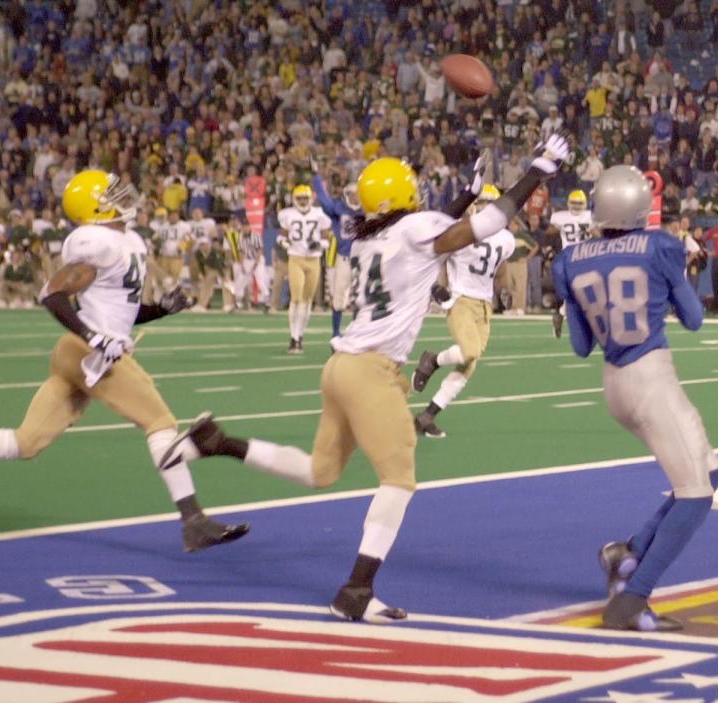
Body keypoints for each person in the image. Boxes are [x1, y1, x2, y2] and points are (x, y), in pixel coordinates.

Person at [157, 136, 571, 623]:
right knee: (398, 479)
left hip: (341, 367)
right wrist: (538, 170)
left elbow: (431, 233)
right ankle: (356, 590)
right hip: (372, 371)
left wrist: (463, 193)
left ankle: (217, 442)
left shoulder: (368, 236)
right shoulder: (416, 228)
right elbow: (485, 222)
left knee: (320, 472)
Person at [0, 169, 249, 553]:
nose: (123, 196)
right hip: (87, 352)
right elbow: (53, 293)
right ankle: (193, 521)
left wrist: (159, 309)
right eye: (111, 193)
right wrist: (92, 336)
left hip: (80, 352)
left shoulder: (126, 241)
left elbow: (119, 314)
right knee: (160, 423)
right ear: (94, 206)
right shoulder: (99, 243)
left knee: (26, 442)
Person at [552, 164, 718, 632]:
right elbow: (693, 319)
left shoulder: (570, 259)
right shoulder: (659, 245)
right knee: (694, 496)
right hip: (650, 377)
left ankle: (626, 553)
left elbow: (580, 345)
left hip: (613, 382)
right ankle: (633, 599)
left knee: (711, 468)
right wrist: (668, 288)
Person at [411, 185, 516, 438]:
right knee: (469, 352)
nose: (485, 208)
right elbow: (439, 259)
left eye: (491, 203)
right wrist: (438, 286)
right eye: (482, 203)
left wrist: (504, 290)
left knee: (470, 363)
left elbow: (500, 269)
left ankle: (428, 416)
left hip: (484, 305)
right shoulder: (461, 230)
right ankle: (432, 361)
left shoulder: (506, 238)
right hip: (460, 300)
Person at [277, 185, 333, 353]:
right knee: (296, 298)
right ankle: (294, 337)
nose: (302, 201)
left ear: (310, 199)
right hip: (296, 258)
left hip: (314, 259)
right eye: (299, 198)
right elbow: (281, 236)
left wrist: (320, 244)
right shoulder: (288, 215)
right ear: (294, 200)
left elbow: (327, 239)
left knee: (307, 300)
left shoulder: (319, 214)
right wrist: (285, 243)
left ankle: (300, 334)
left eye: (305, 198)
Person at [312, 164, 360, 338]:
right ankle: (335, 333)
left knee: (360, 298)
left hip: (364, 260)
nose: (356, 199)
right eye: (353, 195)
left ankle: (356, 332)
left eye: (358, 195)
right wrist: (316, 178)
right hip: (345, 258)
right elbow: (324, 199)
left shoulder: (367, 211)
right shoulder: (340, 209)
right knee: (339, 297)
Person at [548, 189, 593, 337]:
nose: (576, 206)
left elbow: (549, 231)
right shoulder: (590, 216)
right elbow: (599, 233)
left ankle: (561, 314)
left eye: (578, 203)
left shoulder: (560, 217)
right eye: (575, 203)